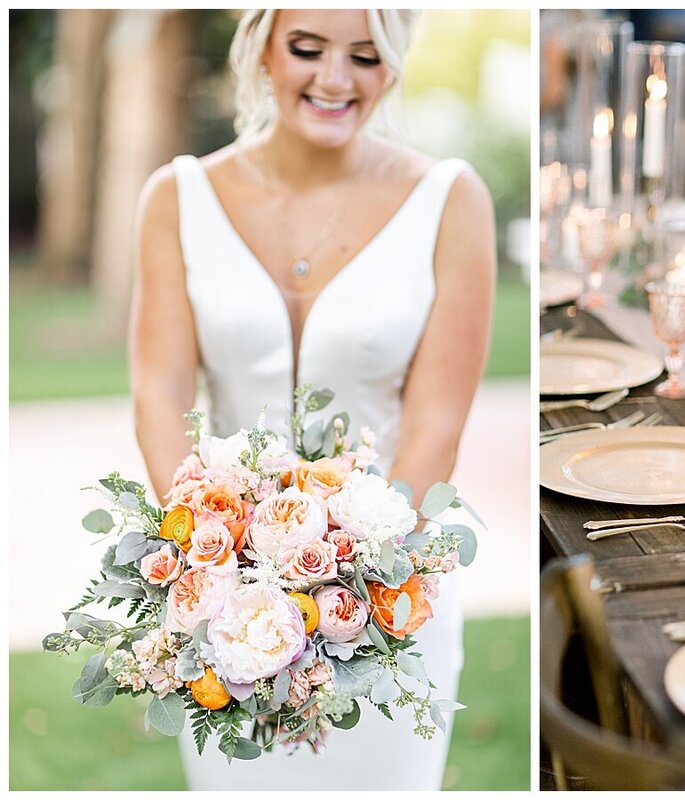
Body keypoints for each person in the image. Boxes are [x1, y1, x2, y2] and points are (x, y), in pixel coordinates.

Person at [128, 9, 495, 789]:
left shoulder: (449, 199)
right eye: (307, 49)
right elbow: (159, 395)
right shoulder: (177, 197)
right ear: (263, 48)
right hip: (223, 610)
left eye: (364, 56)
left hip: (392, 595)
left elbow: (437, 424)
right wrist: (210, 561)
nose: (335, 80)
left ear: (392, 65)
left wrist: (353, 586)